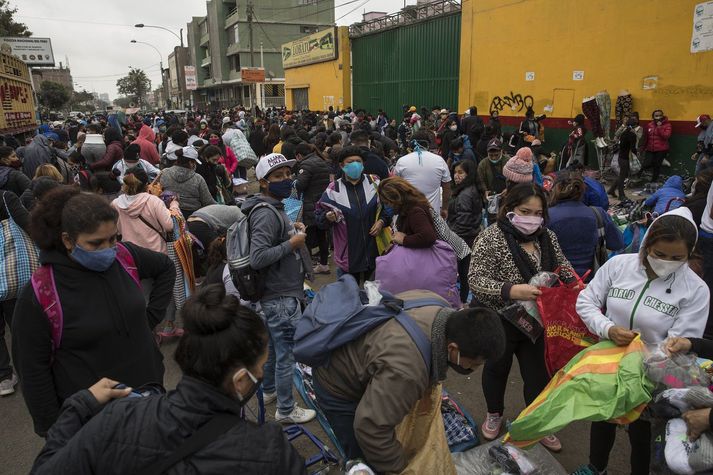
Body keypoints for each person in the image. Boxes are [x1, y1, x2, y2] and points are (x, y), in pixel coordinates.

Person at [30, 284, 306, 474]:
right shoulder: (269, 452)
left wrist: (81, 404)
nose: (262, 374)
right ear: (240, 380)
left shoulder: (117, 418)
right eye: (261, 366)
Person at [12, 187, 175, 436]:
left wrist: (151, 317)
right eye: (96, 243)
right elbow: (33, 371)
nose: (108, 249)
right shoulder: (41, 292)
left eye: (113, 239)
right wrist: (54, 431)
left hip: (150, 397)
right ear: (68, 240)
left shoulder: (123, 256)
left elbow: (165, 267)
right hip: (94, 424)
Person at [575, 207, 709, 475]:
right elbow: (586, 301)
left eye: (676, 258)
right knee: (602, 418)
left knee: (642, 432)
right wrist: (608, 328)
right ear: (646, 243)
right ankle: (595, 467)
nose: (665, 262)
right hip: (608, 363)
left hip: (653, 375)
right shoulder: (619, 265)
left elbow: (682, 342)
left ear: (689, 254)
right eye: (659, 254)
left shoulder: (695, 290)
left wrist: (644, 359)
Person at [313, 291, 506, 473]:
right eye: (475, 363)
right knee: (364, 458)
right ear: (453, 349)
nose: (475, 369)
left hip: (362, 358)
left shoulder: (439, 307)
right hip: (336, 385)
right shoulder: (408, 371)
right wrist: (401, 467)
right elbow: (370, 429)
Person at [468, 183, 575, 451]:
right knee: (496, 369)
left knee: (538, 375)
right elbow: (475, 279)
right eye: (525, 211)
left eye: (538, 213)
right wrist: (512, 290)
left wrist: (578, 288)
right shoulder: (491, 237)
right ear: (509, 209)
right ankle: (494, 413)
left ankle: (536, 421)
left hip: (538, 322)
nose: (532, 219)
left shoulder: (547, 237)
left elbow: (563, 268)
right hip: (501, 320)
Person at [242, 153, 316, 424]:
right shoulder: (265, 213)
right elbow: (258, 257)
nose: (286, 180)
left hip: (277, 293)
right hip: (280, 295)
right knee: (287, 354)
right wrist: (292, 244)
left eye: (287, 174)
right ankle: (286, 409)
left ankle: (269, 390)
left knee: (274, 349)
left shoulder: (275, 207)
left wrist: (289, 232)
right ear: (263, 182)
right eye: (278, 176)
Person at [316, 147, 389, 284]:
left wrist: (382, 221)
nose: (355, 164)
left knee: (374, 296)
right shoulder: (333, 189)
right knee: (349, 295)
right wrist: (327, 217)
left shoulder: (374, 182)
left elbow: (387, 208)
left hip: (374, 250)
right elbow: (319, 217)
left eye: (358, 161)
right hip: (348, 255)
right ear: (342, 166)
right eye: (350, 162)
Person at [547, 172, 624, 279]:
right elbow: (617, 244)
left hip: (556, 281)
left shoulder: (547, 216)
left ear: (555, 189)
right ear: (583, 190)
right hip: (591, 281)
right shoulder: (598, 214)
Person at [0, 190, 30, 396]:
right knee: (19, 326)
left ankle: (3, 377)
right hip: (12, 276)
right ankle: (28, 372)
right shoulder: (6, 197)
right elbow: (29, 224)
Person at [111, 167, 178, 255]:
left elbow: (116, 230)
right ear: (146, 184)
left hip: (130, 253)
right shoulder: (154, 201)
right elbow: (169, 226)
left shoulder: (115, 203)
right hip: (156, 253)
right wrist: (174, 206)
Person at [447, 159, 484, 304]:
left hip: (461, 238)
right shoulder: (471, 189)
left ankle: (458, 301)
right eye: (455, 172)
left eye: (460, 172)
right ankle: (462, 300)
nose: (457, 176)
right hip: (469, 237)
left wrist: (450, 237)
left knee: (459, 273)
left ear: (469, 174)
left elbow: (463, 220)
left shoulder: (465, 194)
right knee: (464, 273)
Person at [394, 130, 452, 217]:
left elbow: (395, 188)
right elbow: (447, 188)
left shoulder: (402, 161)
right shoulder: (439, 160)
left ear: (411, 144)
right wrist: (444, 209)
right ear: (428, 144)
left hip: (408, 216)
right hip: (432, 217)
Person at [294, 142, 332, 275]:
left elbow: (300, 185)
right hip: (322, 203)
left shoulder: (305, 164)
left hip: (310, 204)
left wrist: (294, 180)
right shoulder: (321, 160)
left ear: (299, 155)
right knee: (322, 235)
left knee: (307, 236)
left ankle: (308, 266)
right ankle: (324, 264)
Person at [378, 176, 437, 248]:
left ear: (396, 198)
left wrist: (404, 240)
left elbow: (428, 237)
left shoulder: (414, 211)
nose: (387, 207)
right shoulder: (409, 206)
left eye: (387, 203)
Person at [159, 146, 216, 219]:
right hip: (192, 217)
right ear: (190, 162)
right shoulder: (198, 179)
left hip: (168, 215)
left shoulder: (164, 173)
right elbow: (208, 201)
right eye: (194, 162)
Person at [608, 117, 638, 200]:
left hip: (621, 156)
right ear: (634, 126)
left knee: (621, 175)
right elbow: (633, 148)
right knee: (622, 176)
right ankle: (621, 195)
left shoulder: (624, 133)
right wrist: (636, 155)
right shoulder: (632, 135)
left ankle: (611, 190)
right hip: (626, 158)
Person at [644, 109, 673, 183]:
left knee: (657, 166)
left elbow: (666, 136)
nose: (658, 117)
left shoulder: (667, 125)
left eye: (660, 115)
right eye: (656, 116)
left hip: (661, 149)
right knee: (647, 164)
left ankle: (653, 181)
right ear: (653, 117)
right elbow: (647, 137)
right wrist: (644, 147)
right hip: (650, 148)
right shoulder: (649, 125)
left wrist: (660, 127)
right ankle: (661, 160)